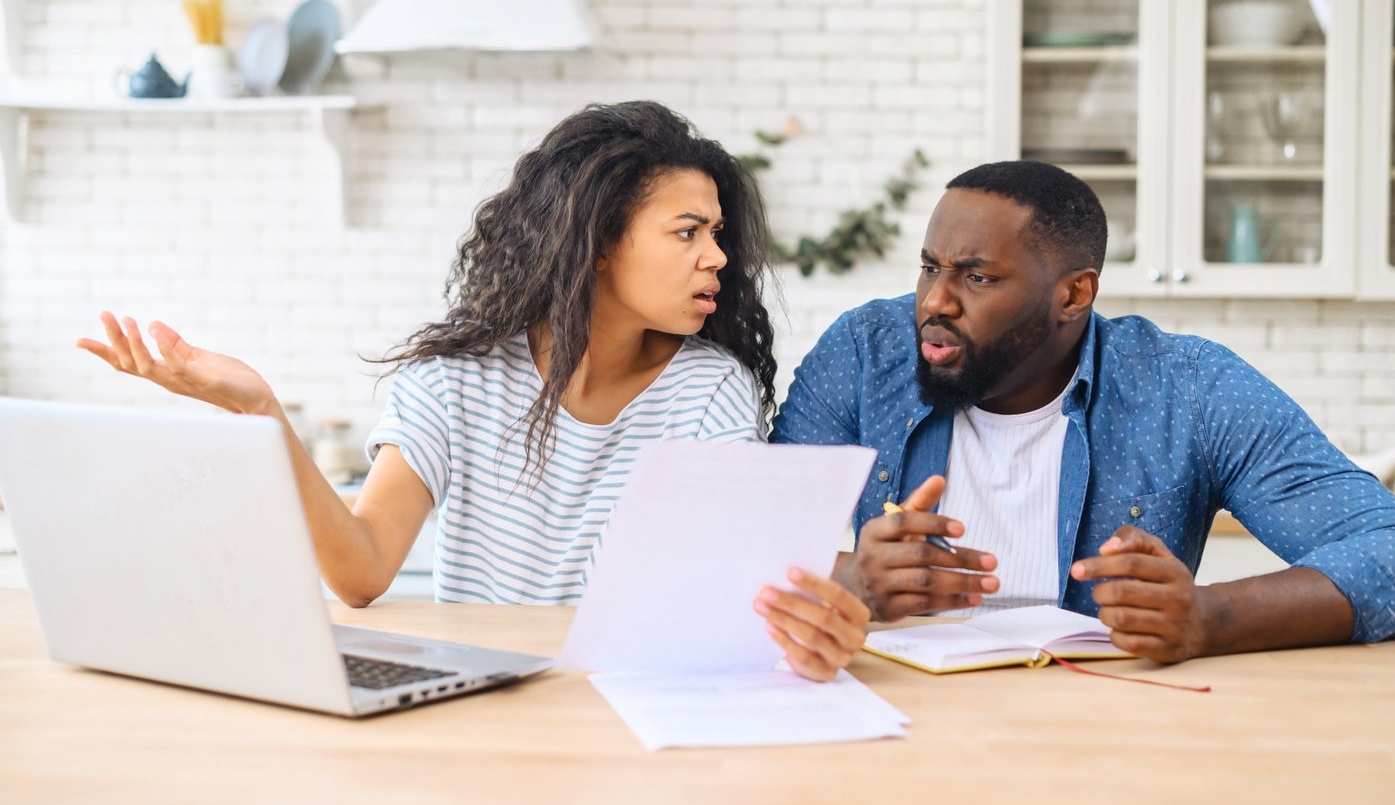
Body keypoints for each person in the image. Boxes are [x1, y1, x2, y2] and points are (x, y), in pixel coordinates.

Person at [79, 100, 869, 682]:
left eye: (720, 234)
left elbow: (733, 582)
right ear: (597, 243)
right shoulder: (454, 380)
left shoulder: (710, 390)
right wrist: (261, 411)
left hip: (633, 692)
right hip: (478, 691)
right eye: (688, 231)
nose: (718, 258)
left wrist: (840, 592)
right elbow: (360, 573)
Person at [772, 159, 1395, 664]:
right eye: (929, 268)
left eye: (977, 277)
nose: (933, 302)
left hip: (1107, 724)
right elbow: (734, 558)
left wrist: (1210, 617)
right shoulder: (866, 354)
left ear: (1074, 294)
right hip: (899, 716)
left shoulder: (1188, 387)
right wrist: (856, 578)